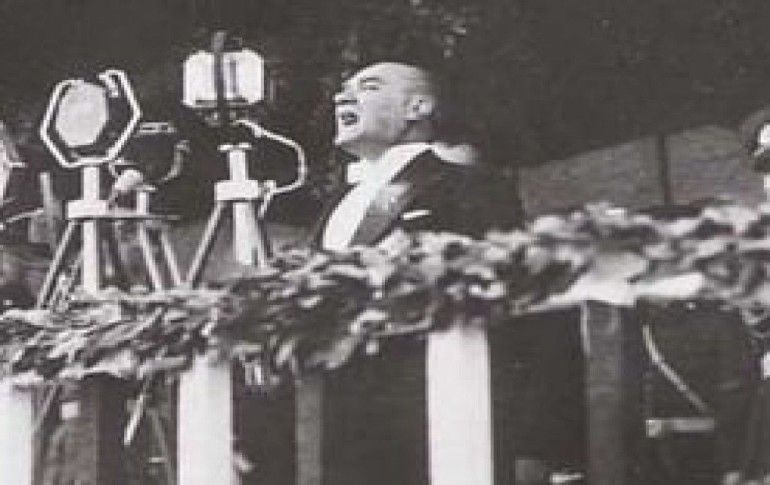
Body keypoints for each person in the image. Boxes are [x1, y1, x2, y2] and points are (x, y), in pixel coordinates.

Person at [310, 61, 506, 251]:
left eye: (369, 87)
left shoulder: (469, 184)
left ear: (417, 107)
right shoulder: (343, 195)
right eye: (344, 90)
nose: (340, 98)